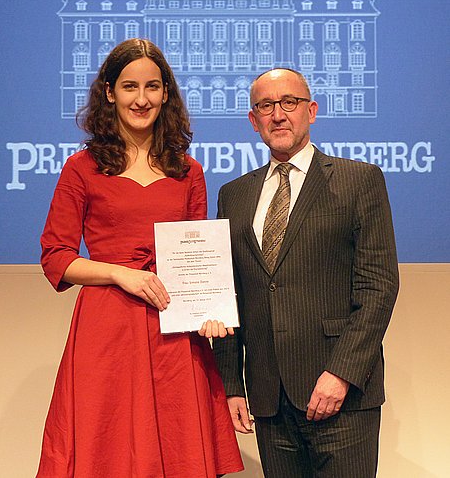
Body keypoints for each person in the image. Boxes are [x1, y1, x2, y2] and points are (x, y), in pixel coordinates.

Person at [37, 38, 243, 477]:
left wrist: (209, 311)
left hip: (173, 328)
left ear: (166, 93)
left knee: (177, 449)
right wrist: (120, 275)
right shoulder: (82, 167)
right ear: (110, 92)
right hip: (107, 328)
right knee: (107, 447)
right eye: (130, 86)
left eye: (152, 86)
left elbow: (196, 258)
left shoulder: (189, 171)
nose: (142, 98)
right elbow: (55, 257)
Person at [213, 68, 399, 477]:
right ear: (253, 119)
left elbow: (378, 287)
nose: (278, 114)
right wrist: (231, 385)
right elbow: (227, 295)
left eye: (289, 102)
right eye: (265, 106)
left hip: (341, 395)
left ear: (311, 110)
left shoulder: (358, 181)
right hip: (269, 397)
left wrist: (341, 374)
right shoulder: (234, 195)